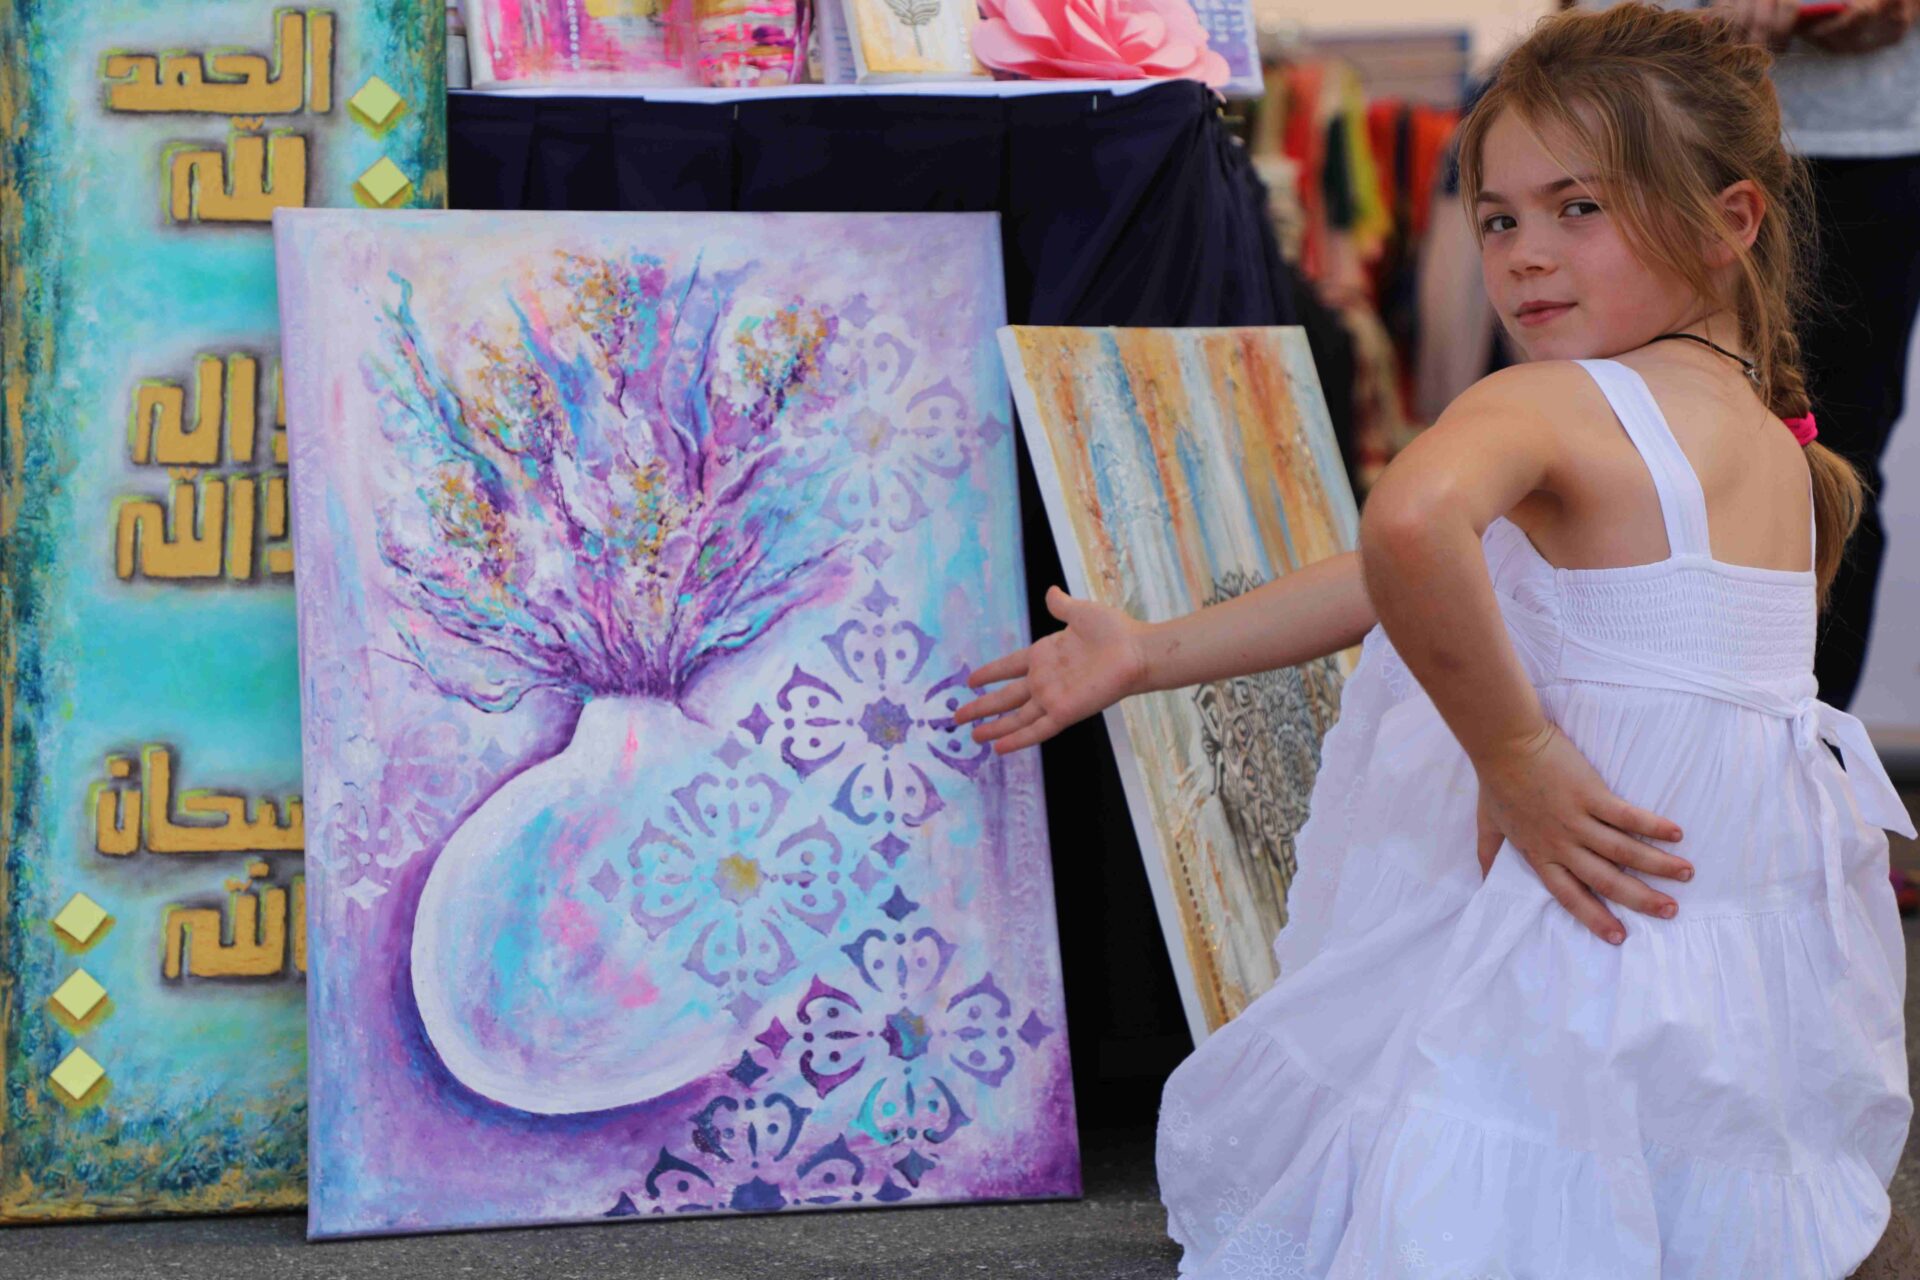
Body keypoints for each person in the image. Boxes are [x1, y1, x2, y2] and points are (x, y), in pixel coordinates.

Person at [956, 6, 1916, 1275]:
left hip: (1575, 877)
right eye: (1499, 219)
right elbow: (1390, 572)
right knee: (1661, 1160)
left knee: (1504, 1149)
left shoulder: (1556, 401)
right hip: (1707, 915)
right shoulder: (1774, 435)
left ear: (1730, 219)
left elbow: (1409, 524)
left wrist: (1515, 751)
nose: (1526, 256)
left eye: (1580, 208)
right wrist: (1150, 650)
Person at [1574, 0, 1920, 711]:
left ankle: (1798, 740)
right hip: (1621, 114)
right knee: (1618, 445)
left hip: (1852, 142)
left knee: (1830, 462)